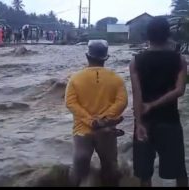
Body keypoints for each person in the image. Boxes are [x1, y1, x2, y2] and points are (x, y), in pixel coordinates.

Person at [130, 17, 188, 187]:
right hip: (170, 120)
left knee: (144, 174)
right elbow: (180, 90)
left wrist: (139, 122)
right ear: (168, 35)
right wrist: (154, 104)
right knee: (179, 171)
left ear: (148, 36)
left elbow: (136, 94)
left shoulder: (136, 61)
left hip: (145, 121)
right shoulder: (179, 60)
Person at [65, 40, 128, 187]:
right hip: (107, 130)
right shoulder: (117, 79)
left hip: (82, 131)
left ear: (87, 56)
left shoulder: (75, 78)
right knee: (110, 166)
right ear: (106, 57)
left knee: (79, 165)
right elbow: (122, 102)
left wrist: (90, 121)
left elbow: (70, 103)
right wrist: (104, 119)